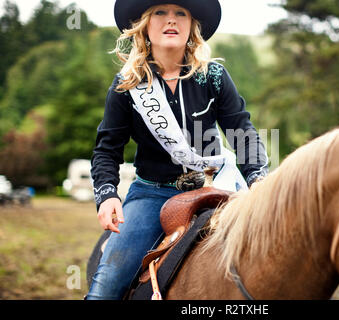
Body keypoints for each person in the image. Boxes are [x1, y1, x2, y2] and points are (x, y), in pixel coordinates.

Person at [86, 0, 268, 300]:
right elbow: (107, 150)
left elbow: (241, 133)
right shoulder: (126, 86)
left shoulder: (214, 77)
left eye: (180, 13)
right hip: (150, 195)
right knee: (106, 287)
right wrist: (107, 196)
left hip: (214, 188)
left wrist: (258, 179)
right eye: (160, 12)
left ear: (191, 27)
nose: (171, 20)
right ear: (145, 25)